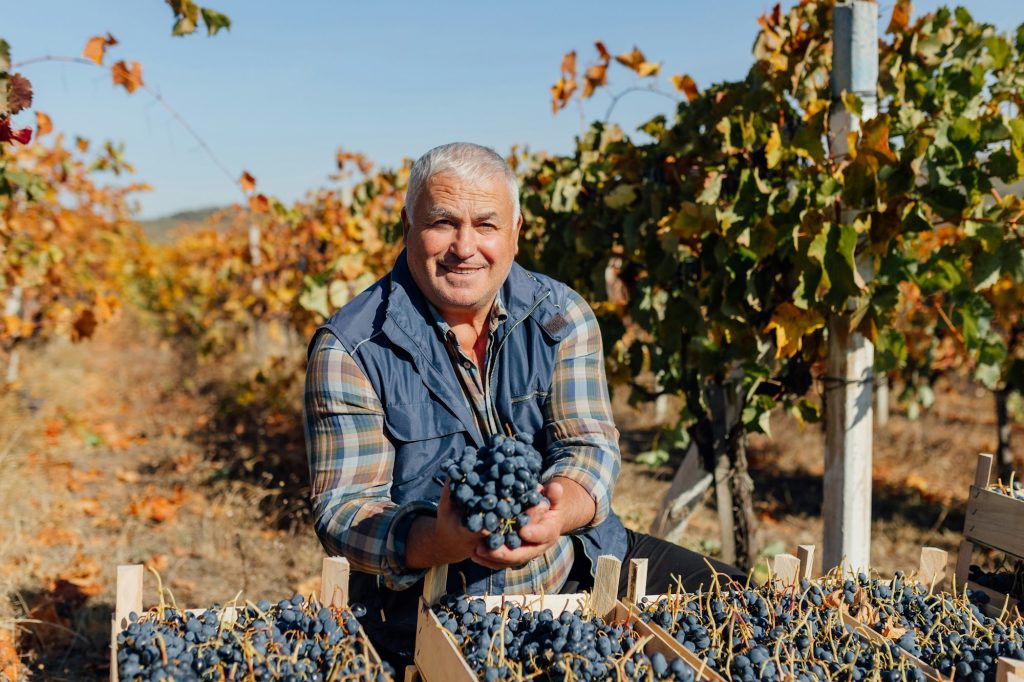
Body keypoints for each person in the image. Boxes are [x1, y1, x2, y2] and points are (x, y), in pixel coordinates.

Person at [303, 142, 741, 667]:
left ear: (515, 231)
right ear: (408, 227)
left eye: (485, 225)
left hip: (579, 558)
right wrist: (436, 541)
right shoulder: (351, 348)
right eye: (443, 223)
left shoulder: (561, 317)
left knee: (741, 610)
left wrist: (558, 510)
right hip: (435, 605)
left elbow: (589, 445)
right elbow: (344, 511)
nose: (464, 247)